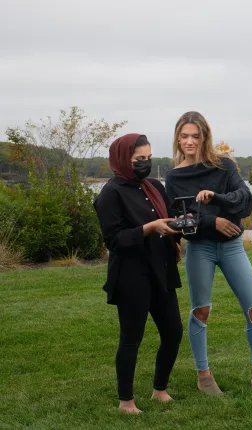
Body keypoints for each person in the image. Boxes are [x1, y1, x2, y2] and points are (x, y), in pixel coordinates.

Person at [164, 111, 252, 395]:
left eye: (195, 136)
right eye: (184, 136)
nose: (189, 141)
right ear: (177, 137)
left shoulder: (224, 166)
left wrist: (217, 198)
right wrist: (213, 220)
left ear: (205, 137)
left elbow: (244, 200)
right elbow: (180, 218)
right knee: (201, 310)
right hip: (200, 247)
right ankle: (204, 376)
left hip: (232, 246)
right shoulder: (174, 177)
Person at [93, 133, 184, 414]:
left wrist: (178, 230)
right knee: (132, 338)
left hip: (161, 270)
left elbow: (167, 218)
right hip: (132, 275)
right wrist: (149, 228)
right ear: (122, 160)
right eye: (139, 160)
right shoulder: (110, 193)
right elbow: (114, 241)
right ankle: (126, 401)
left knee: (173, 332)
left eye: (148, 158)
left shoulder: (154, 186)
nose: (145, 163)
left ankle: (160, 390)